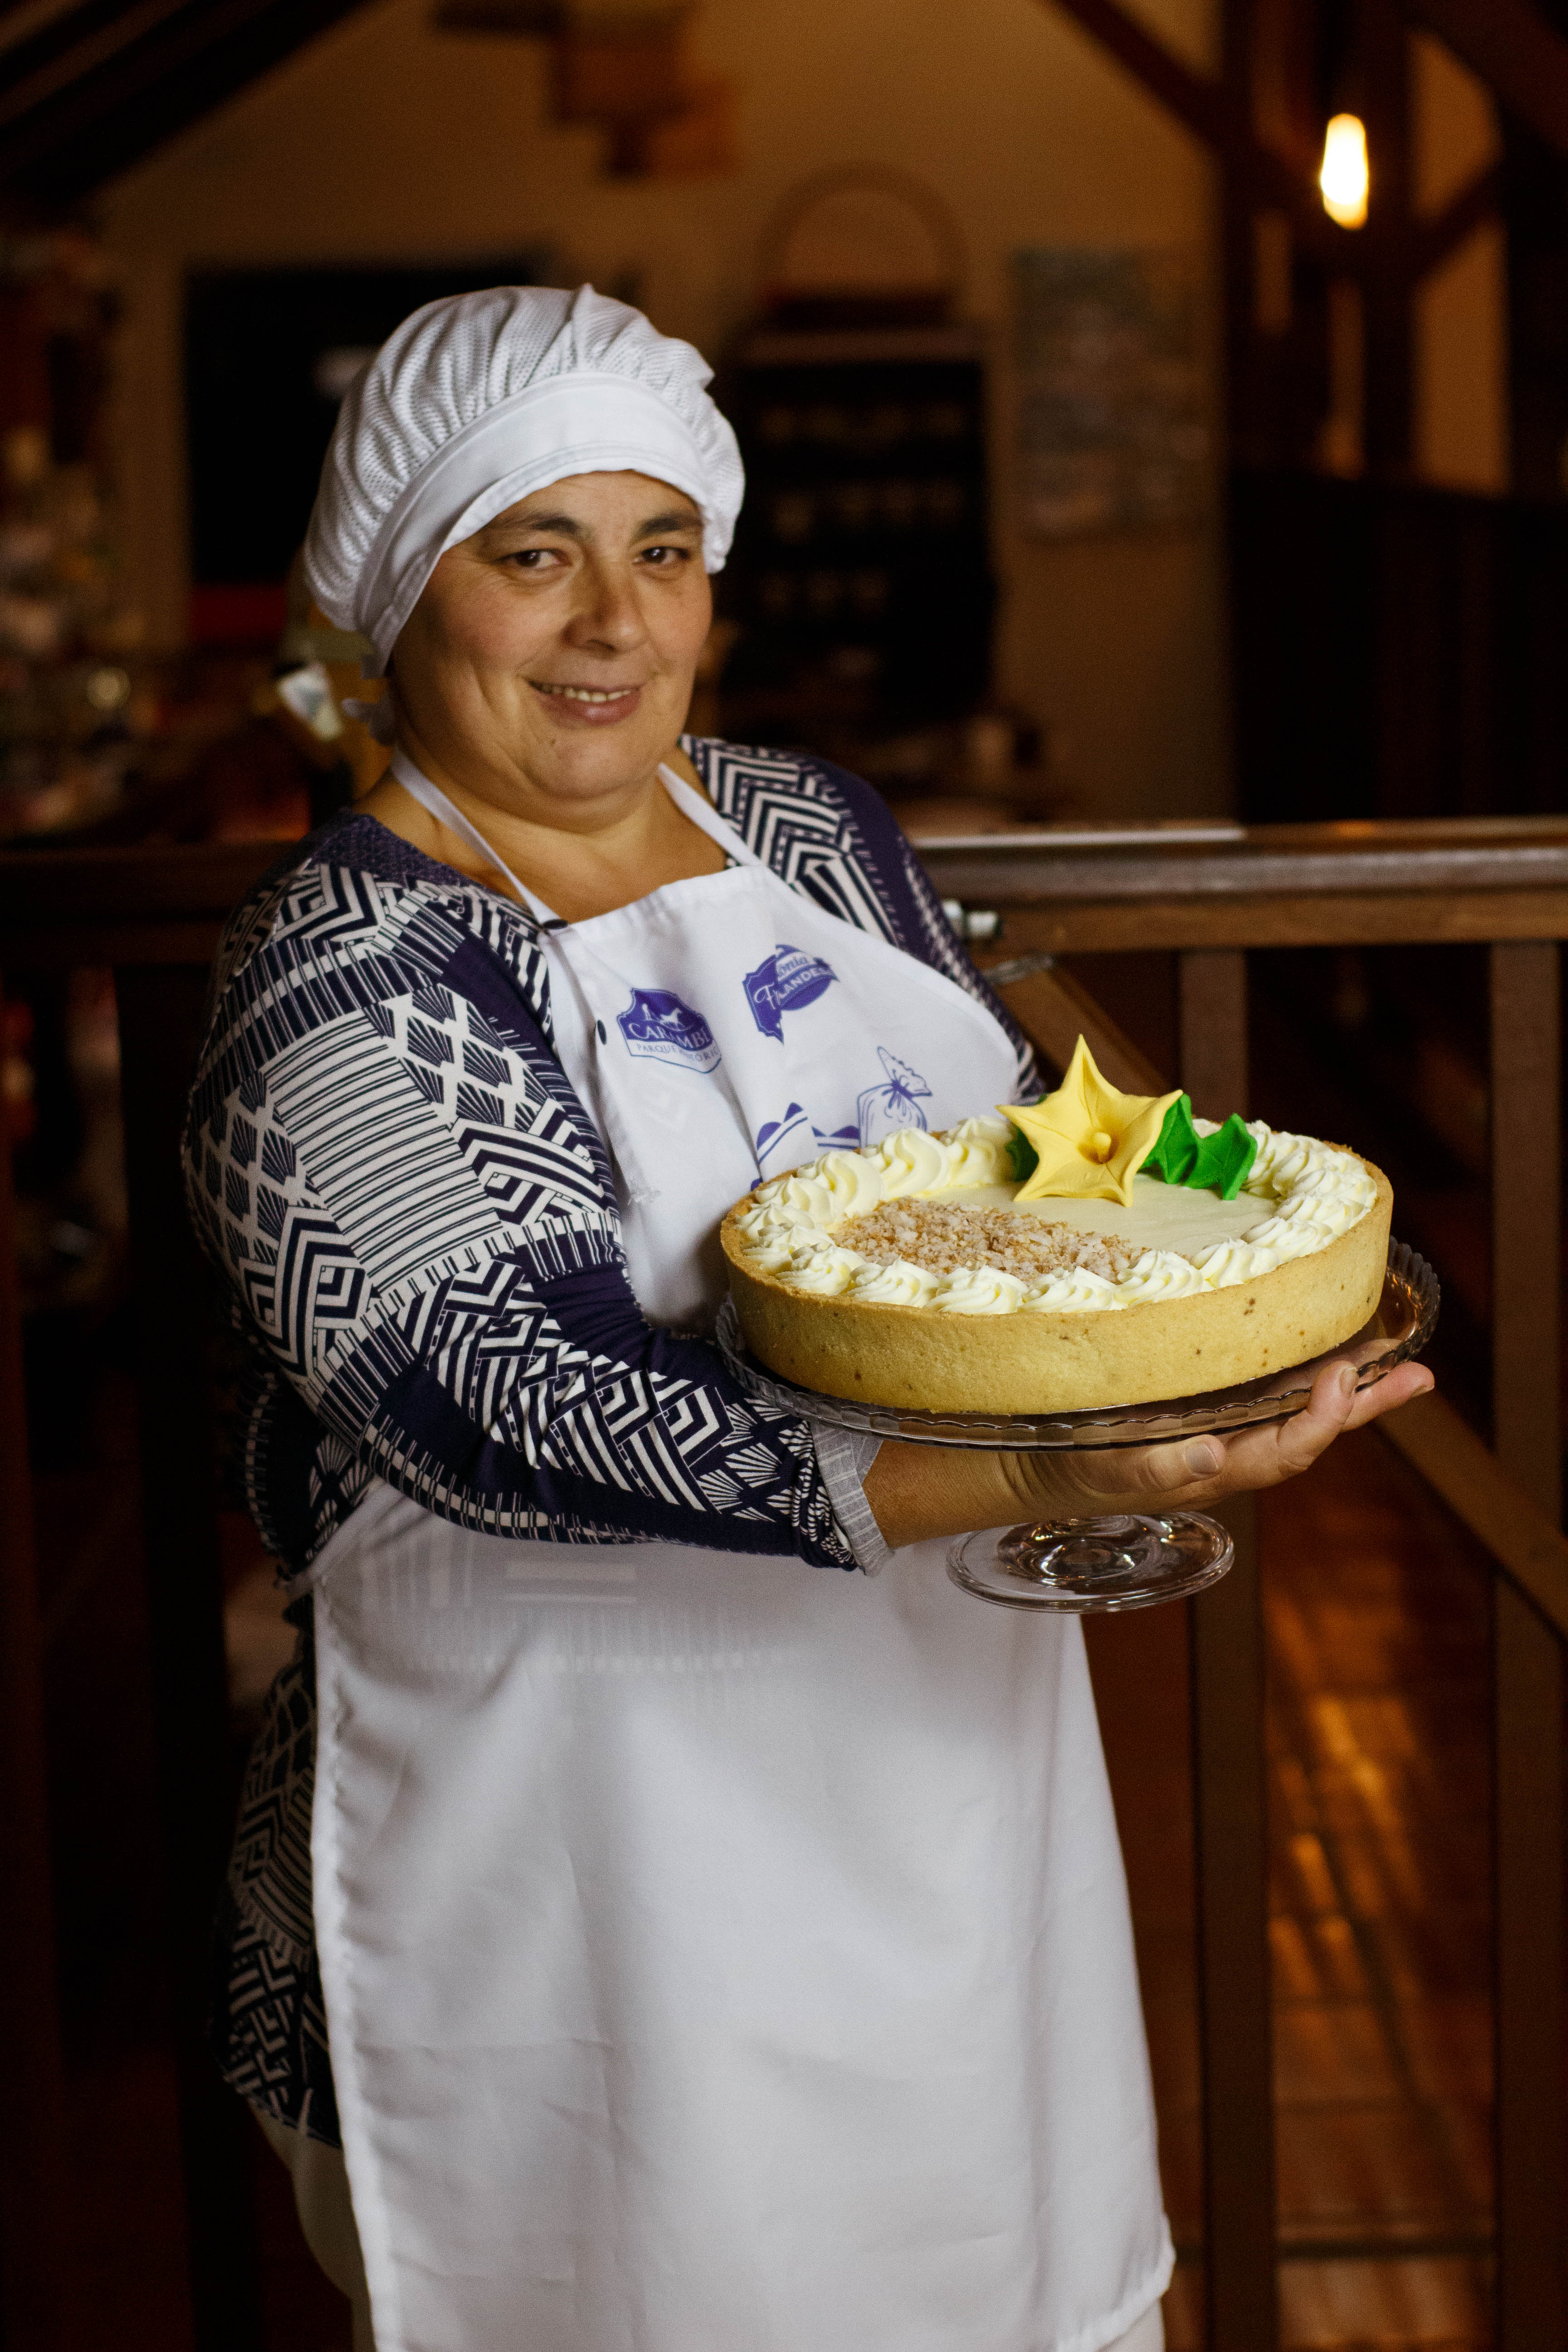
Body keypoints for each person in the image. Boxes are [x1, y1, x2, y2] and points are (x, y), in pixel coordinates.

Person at [184, 284, 1431, 2352]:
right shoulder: (336, 972)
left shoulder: (810, 834)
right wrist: (1028, 1465)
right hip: (582, 1892)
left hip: (944, 1802)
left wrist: (1210, 1310)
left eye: (662, 551)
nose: (615, 624)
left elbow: (1010, 1172)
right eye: (534, 553)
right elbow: (516, 1400)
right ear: (405, 589)